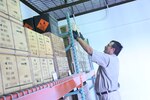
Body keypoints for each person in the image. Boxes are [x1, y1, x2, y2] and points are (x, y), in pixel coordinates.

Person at [73, 31, 123, 100]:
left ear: (113, 49)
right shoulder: (114, 59)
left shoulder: (108, 58)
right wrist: (83, 40)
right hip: (108, 95)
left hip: (108, 96)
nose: (105, 46)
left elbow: (90, 51)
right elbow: (93, 52)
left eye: (108, 45)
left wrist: (78, 38)